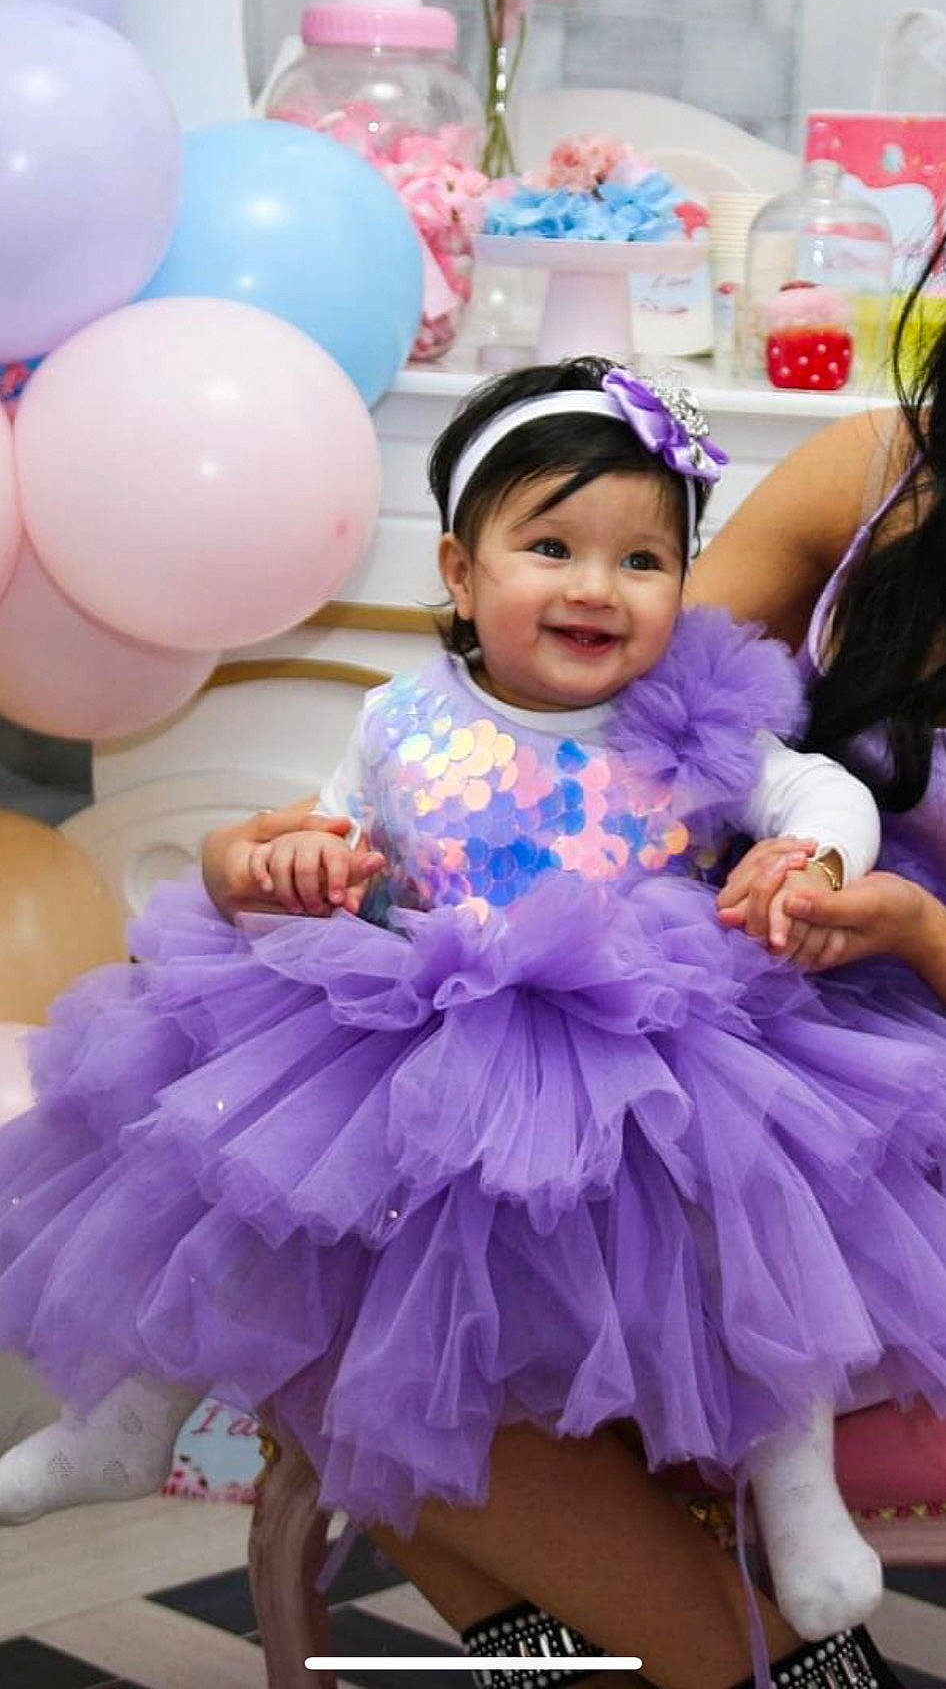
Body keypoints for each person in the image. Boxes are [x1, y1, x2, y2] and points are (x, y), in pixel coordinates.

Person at [0, 358, 943, 1689]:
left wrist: (819, 863)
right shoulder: (405, 718)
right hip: (428, 1038)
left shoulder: (694, 734)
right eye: (547, 548)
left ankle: (786, 1523)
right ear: (456, 571)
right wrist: (270, 863)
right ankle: (128, 1413)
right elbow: (317, 834)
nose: (592, 587)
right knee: (238, 1176)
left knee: (746, 1230)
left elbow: (815, 796)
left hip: (658, 1054)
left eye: (640, 562)